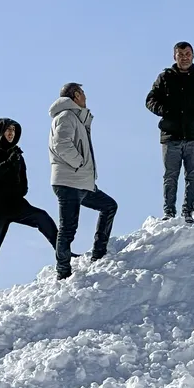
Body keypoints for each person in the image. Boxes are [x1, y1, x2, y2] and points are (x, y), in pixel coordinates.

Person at [0, 118, 57, 297]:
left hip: (15, 204)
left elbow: (24, 182)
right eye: (8, 130)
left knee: (42, 217)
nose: (11, 133)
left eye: (13, 130)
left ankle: (63, 253)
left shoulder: (17, 154)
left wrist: (19, 187)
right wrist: (8, 163)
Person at [145, 42, 194, 222]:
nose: (185, 57)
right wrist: (164, 111)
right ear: (175, 57)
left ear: (193, 55)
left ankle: (188, 212)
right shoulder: (165, 77)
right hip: (171, 135)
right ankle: (169, 213)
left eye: (187, 54)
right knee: (170, 176)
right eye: (181, 54)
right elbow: (150, 100)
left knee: (192, 175)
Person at [49, 83, 118, 279]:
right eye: (83, 93)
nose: (86, 97)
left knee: (109, 206)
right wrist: (79, 163)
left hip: (81, 182)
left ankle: (99, 253)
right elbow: (61, 144)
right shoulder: (66, 116)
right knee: (68, 229)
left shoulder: (76, 117)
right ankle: (63, 272)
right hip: (69, 182)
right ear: (76, 95)